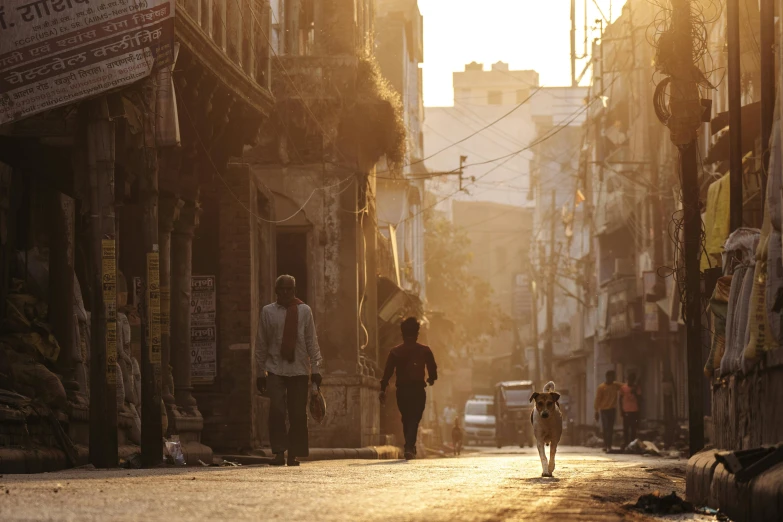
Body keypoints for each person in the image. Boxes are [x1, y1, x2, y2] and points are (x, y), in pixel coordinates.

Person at [256, 275, 323, 466]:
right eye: (282, 290)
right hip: (275, 369)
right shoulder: (267, 312)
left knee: (297, 413)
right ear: (276, 291)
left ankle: (294, 453)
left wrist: (316, 369)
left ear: (294, 291)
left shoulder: (304, 311)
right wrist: (260, 372)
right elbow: (261, 342)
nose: (286, 293)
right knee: (276, 410)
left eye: (289, 290)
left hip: (299, 369)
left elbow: (311, 340)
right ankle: (278, 452)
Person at [379, 317, 438, 460]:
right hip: (418, 391)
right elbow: (433, 370)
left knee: (406, 418)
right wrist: (431, 379)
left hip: (402, 392)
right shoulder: (425, 350)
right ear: (417, 334)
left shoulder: (395, 352)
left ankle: (409, 446)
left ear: (402, 334)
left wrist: (383, 388)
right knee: (414, 419)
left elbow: (387, 372)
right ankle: (409, 446)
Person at [593, 370, 624, 452]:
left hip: (612, 410)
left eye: (613, 377)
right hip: (604, 410)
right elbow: (597, 400)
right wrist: (596, 411)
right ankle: (606, 445)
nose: (612, 379)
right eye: (611, 377)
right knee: (606, 428)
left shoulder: (615, 385)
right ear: (607, 377)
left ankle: (609, 445)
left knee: (610, 428)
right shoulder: (601, 387)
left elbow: (625, 387)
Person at [620, 373, 642, 448]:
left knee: (633, 428)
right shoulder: (623, 388)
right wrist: (621, 410)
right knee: (626, 428)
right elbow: (620, 399)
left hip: (634, 410)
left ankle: (632, 443)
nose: (630, 381)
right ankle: (626, 443)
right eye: (629, 379)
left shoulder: (636, 388)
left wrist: (634, 392)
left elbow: (639, 398)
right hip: (626, 410)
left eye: (632, 380)